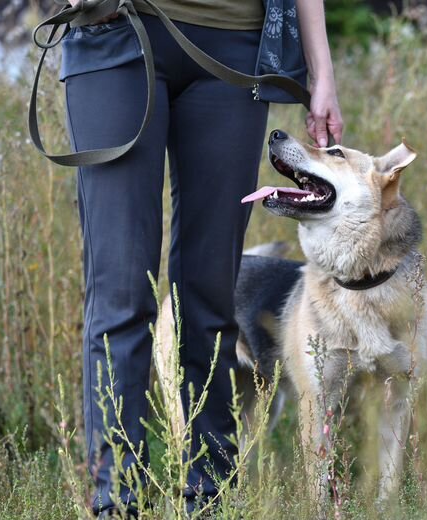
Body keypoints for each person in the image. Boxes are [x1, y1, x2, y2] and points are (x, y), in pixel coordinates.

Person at [60, 0, 343, 516]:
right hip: (116, 30)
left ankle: (209, 498)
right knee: (122, 296)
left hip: (235, 44)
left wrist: (322, 71)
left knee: (210, 298)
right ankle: (117, 504)